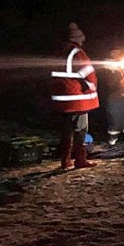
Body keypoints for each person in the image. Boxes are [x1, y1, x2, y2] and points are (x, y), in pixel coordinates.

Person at [49, 22, 99, 170]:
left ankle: (65, 161)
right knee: (81, 131)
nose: (83, 39)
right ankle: (80, 160)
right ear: (76, 37)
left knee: (65, 132)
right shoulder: (76, 52)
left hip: (61, 100)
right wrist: (92, 88)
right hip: (77, 100)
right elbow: (89, 75)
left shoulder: (57, 51)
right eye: (81, 36)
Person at [101, 49, 124, 146]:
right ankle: (112, 143)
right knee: (115, 122)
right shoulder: (109, 68)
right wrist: (119, 73)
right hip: (115, 99)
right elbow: (110, 84)